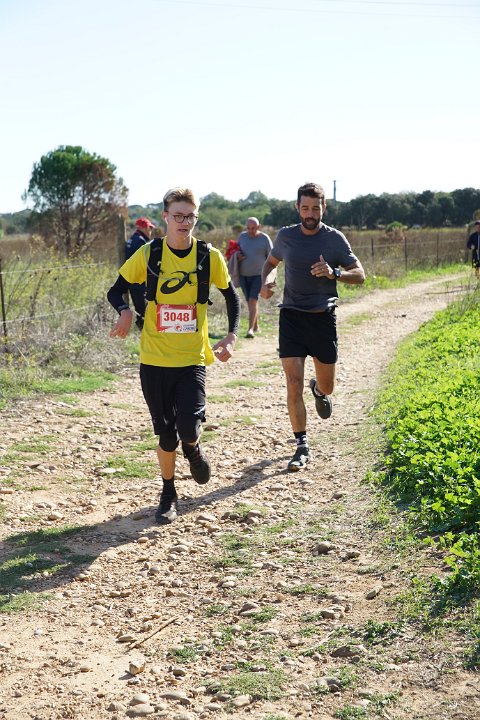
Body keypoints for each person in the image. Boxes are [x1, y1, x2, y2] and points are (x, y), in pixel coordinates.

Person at [107, 188, 240, 524]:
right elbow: (115, 289)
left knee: (188, 428)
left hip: (192, 359)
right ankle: (168, 493)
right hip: (154, 360)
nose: (184, 222)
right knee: (167, 436)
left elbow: (231, 297)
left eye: (190, 216)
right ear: (165, 217)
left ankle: (192, 448)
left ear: (196, 217)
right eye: (178, 215)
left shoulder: (208, 257)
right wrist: (124, 310)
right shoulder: (149, 254)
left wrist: (232, 335)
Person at [260, 182, 365, 472]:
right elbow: (270, 263)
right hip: (291, 316)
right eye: (305, 208)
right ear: (297, 208)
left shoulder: (334, 239)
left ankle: (318, 391)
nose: (310, 214)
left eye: (315, 208)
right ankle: (301, 445)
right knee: (293, 383)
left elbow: (360, 275)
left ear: (323, 208)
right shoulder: (286, 236)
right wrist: (266, 281)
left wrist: (334, 273)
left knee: (328, 385)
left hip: (322, 318)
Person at [237, 217, 273, 338]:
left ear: (259, 227)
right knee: (250, 302)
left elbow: (272, 256)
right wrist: (237, 256)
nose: (250, 231)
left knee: (253, 300)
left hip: (259, 275)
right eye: (248, 228)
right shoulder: (242, 237)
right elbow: (235, 251)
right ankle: (256, 326)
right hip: (243, 275)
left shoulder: (265, 238)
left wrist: (270, 277)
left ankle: (250, 330)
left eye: (253, 228)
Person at [125, 217, 156, 329]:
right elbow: (143, 262)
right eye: (149, 228)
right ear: (144, 228)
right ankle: (143, 332)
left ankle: (143, 330)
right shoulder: (140, 241)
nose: (150, 231)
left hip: (133, 279)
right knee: (143, 312)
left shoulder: (133, 239)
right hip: (138, 281)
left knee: (141, 310)